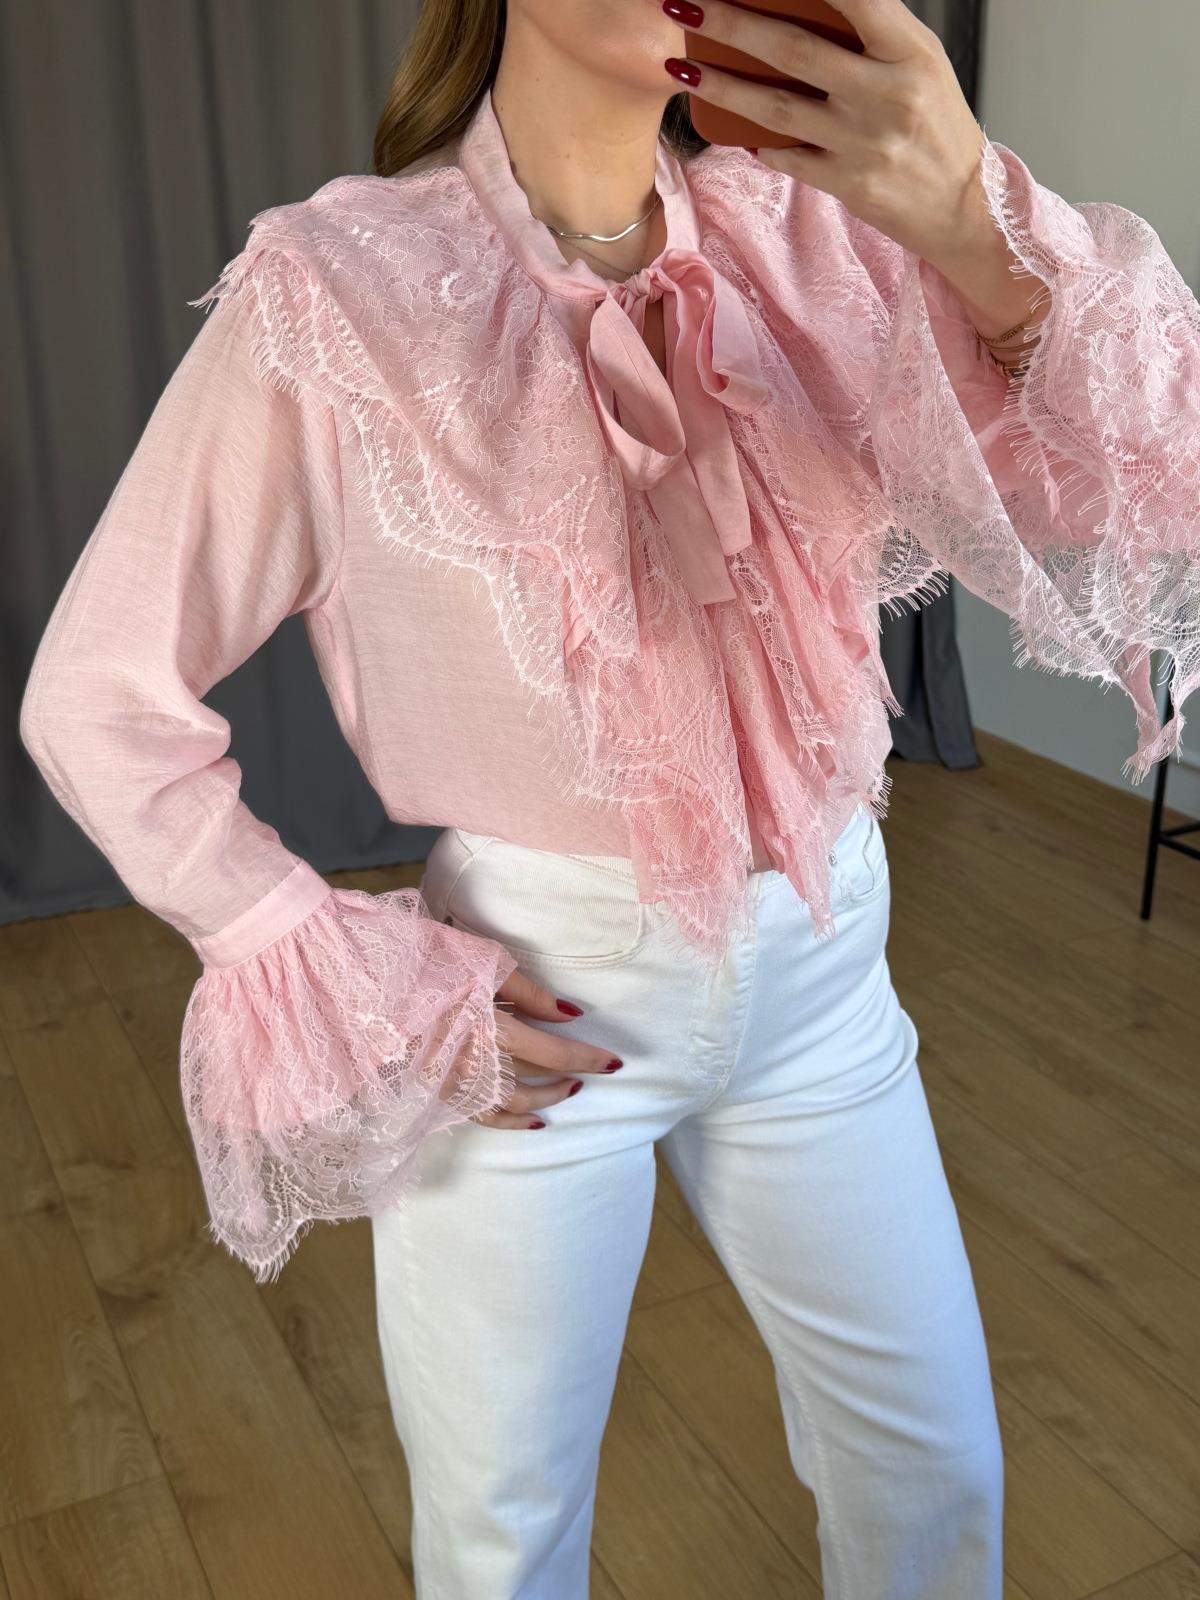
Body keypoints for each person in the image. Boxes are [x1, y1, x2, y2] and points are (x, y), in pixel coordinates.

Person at [19, 0, 1200, 1595]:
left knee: (934, 1473)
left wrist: (970, 224)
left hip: (829, 978)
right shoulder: (346, 290)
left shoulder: (818, 240)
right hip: (541, 1011)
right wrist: (313, 952)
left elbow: (1142, 476)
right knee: (503, 1542)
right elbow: (97, 693)